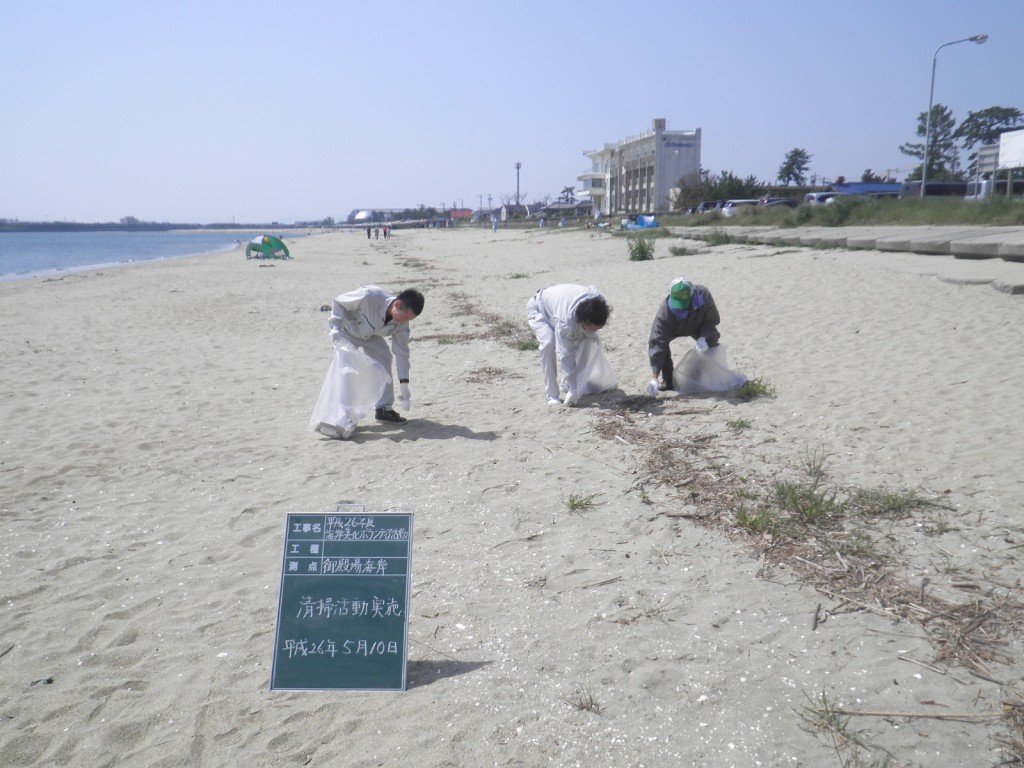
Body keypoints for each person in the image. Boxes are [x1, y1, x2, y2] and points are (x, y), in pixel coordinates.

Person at [316, 286, 425, 438]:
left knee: (385, 357)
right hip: (347, 331)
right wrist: (335, 328)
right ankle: (342, 417)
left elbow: (402, 353)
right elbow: (339, 302)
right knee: (347, 369)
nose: (405, 322)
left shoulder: (402, 325)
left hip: (371, 336)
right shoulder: (370, 296)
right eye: (405, 317)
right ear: (397, 304)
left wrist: (404, 383)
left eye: (409, 319)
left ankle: (384, 409)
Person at [526, 284, 611, 407]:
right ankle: (552, 394)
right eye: (593, 328)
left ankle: (567, 384)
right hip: (539, 309)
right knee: (548, 344)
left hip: (559, 308)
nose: (595, 332)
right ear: (583, 321)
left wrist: (573, 386)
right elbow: (565, 355)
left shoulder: (598, 302)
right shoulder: (565, 322)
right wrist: (574, 390)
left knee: (588, 341)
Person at [646, 277, 721, 395]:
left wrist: (703, 337)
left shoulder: (703, 296)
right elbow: (657, 341)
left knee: (712, 339)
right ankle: (668, 381)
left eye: (683, 304)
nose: (680, 307)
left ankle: (698, 379)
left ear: (692, 296)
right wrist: (654, 378)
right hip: (674, 327)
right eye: (677, 303)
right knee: (662, 346)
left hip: (697, 324)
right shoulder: (665, 310)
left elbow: (712, 320)